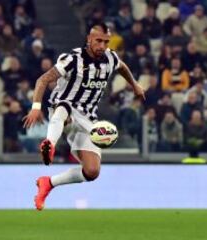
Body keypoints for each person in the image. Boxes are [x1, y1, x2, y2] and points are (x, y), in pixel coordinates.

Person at [23, 23, 145, 211]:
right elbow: (43, 80)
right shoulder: (73, 59)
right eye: (98, 41)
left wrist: (134, 84)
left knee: (92, 172)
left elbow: (122, 67)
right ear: (89, 39)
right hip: (63, 107)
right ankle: (50, 145)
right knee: (64, 107)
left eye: (106, 42)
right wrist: (36, 107)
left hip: (88, 118)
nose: (102, 46)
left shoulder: (110, 58)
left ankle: (48, 183)